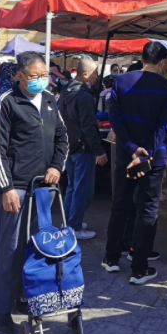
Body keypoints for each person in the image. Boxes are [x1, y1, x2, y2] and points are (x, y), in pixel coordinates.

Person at [0, 51, 69, 334]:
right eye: (34, 76)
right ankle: (2, 310)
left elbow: (62, 138)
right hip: (18, 188)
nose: (40, 80)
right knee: (11, 249)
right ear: (20, 76)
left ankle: (24, 297)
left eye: (43, 75)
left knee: (36, 247)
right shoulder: (7, 101)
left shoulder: (49, 99)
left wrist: (56, 167)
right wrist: (6, 188)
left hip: (44, 188)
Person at [102, 41, 167, 284]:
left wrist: (132, 149)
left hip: (125, 155)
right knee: (147, 210)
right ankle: (139, 268)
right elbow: (163, 126)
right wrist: (146, 152)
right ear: (162, 63)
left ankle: (112, 258)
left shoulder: (120, 81)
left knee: (120, 205)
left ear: (141, 59)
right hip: (154, 158)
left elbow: (115, 119)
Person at [60, 59, 108, 239]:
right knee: (82, 189)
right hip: (82, 147)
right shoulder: (84, 95)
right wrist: (99, 150)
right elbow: (88, 126)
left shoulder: (66, 90)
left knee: (72, 187)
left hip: (70, 145)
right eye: (95, 73)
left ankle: (69, 222)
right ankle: (75, 226)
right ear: (86, 74)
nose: (97, 77)